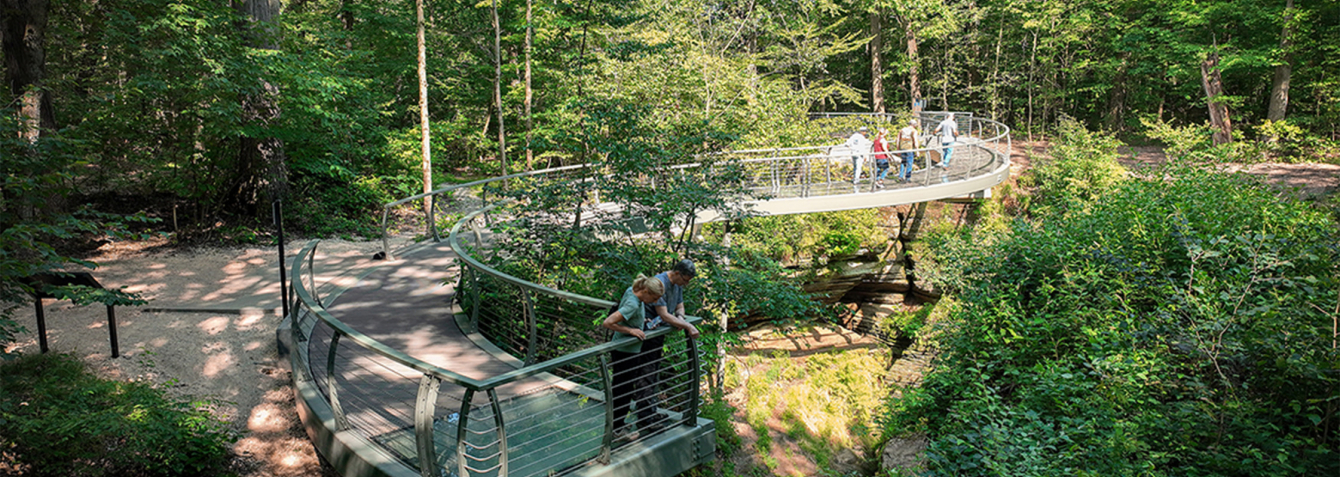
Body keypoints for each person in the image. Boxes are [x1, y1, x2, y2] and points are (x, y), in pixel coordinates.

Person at [635, 259, 702, 433]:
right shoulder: (660, 283)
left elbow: (679, 307)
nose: (686, 284)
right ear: (677, 273)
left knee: (654, 373)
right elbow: (664, 315)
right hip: (646, 334)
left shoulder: (677, 285)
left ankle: (651, 411)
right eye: (685, 280)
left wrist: (681, 319)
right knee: (646, 375)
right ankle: (645, 418)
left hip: (657, 335)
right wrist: (687, 326)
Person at [601, 274, 665, 443]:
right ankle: (617, 430)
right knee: (624, 390)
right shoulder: (633, 303)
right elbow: (608, 322)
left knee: (621, 387)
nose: (655, 301)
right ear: (645, 291)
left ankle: (617, 424)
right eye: (654, 298)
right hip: (626, 351)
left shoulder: (632, 290)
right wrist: (631, 331)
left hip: (623, 349)